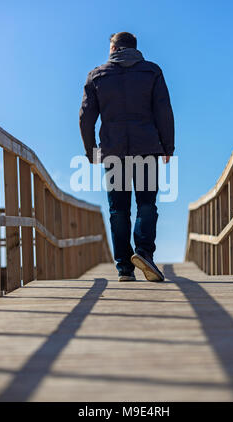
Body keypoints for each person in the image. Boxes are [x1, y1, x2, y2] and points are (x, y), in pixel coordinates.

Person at [79, 32, 175, 282]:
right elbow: (163, 110)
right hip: (147, 148)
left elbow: (85, 118)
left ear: (113, 48)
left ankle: (124, 268)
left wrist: (92, 152)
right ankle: (143, 252)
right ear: (134, 48)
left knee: (118, 211)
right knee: (146, 204)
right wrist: (168, 147)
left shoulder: (97, 75)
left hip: (113, 152)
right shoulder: (152, 72)